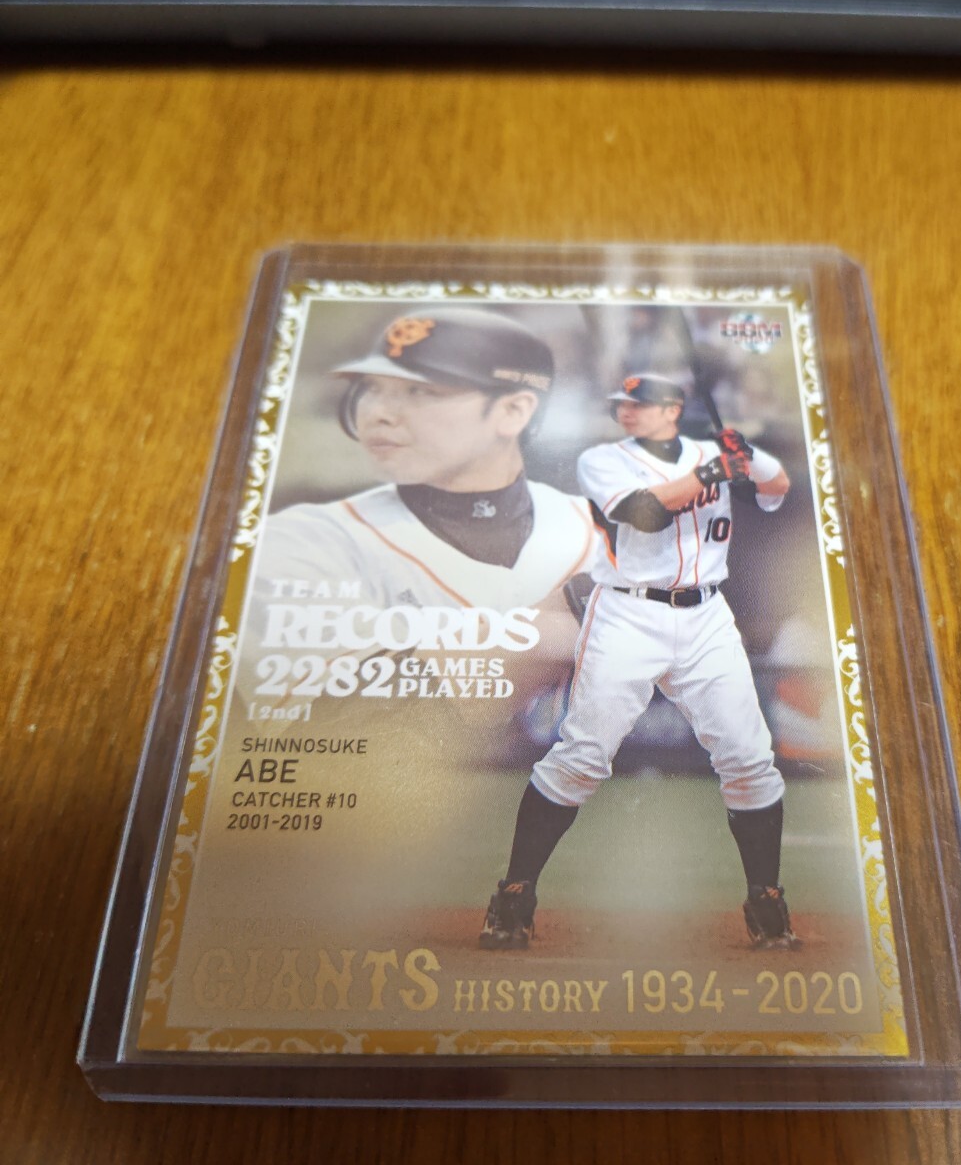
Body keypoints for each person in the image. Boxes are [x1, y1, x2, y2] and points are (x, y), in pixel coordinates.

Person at [479, 373, 800, 951]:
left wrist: (747, 458)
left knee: (750, 759)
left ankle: (766, 899)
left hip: (706, 615)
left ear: (672, 409)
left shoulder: (712, 453)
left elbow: (778, 487)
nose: (626, 412)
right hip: (628, 615)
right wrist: (715, 471)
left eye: (639, 404)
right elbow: (646, 513)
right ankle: (514, 894)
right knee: (582, 756)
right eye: (621, 405)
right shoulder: (603, 460)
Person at [245, 307, 596, 705]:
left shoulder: (602, 530)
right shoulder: (304, 541)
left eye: (421, 391)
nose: (377, 413)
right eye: (371, 388)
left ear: (513, 411)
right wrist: (571, 616)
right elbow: (344, 721)